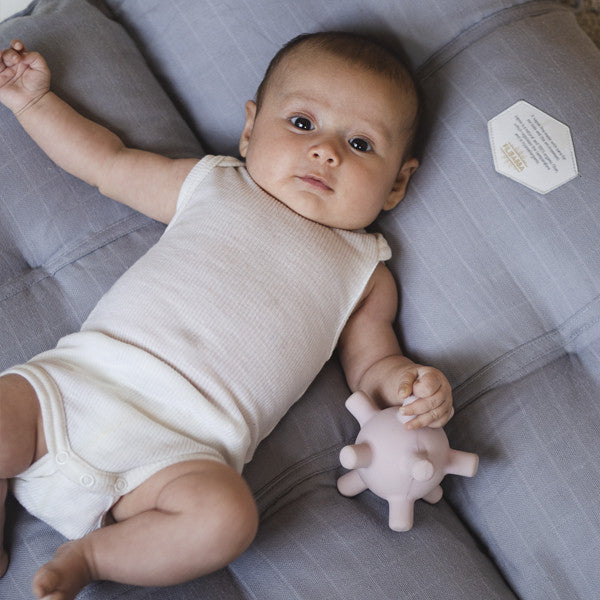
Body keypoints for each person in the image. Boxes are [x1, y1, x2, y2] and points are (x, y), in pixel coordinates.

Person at [0, 31, 453, 600]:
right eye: (303, 124)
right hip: (71, 393)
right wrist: (33, 102)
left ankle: (92, 557)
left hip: (177, 457)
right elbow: (105, 164)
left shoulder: (365, 274)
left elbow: (373, 365)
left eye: (361, 144)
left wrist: (409, 386)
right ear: (250, 129)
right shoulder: (211, 185)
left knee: (229, 518)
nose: (326, 151)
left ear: (398, 183)